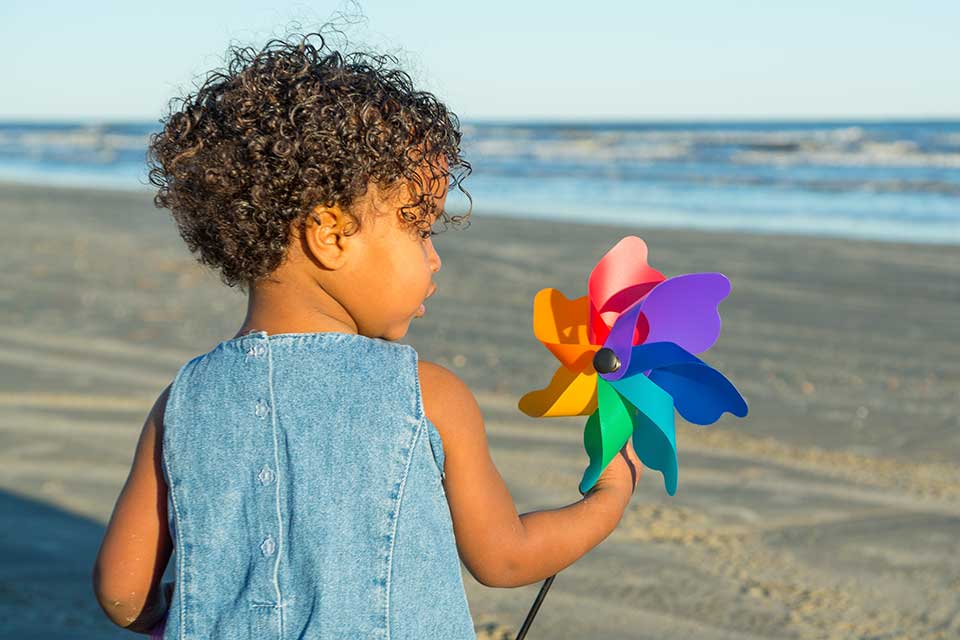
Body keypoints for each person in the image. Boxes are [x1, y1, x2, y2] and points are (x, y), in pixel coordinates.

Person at [92, 31, 641, 639]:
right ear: (330, 235)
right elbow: (506, 557)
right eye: (420, 230)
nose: (433, 259)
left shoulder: (183, 399)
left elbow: (121, 590)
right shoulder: (429, 396)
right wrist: (608, 499)